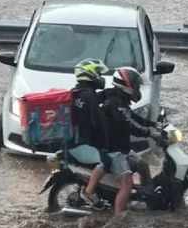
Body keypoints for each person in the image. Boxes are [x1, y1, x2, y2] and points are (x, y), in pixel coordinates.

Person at [85, 66, 165, 216]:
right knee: (127, 183)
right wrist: (150, 133)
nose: (137, 88)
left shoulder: (120, 100)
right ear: (126, 84)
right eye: (135, 84)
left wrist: (153, 124)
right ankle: (119, 216)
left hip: (121, 147)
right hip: (114, 150)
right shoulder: (114, 103)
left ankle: (145, 198)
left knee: (142, 165)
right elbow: (129, 125)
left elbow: (133, 117)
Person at [68, 58, 111, 209]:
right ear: (90, 75)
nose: (101, 78)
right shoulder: (89, 96)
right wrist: (106, 143)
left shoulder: (76, 92)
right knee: (107, 161)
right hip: (82, 145)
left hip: (72, 142)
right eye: (99, 74)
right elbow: (98, 123)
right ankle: (89, 193)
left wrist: (106, 95)